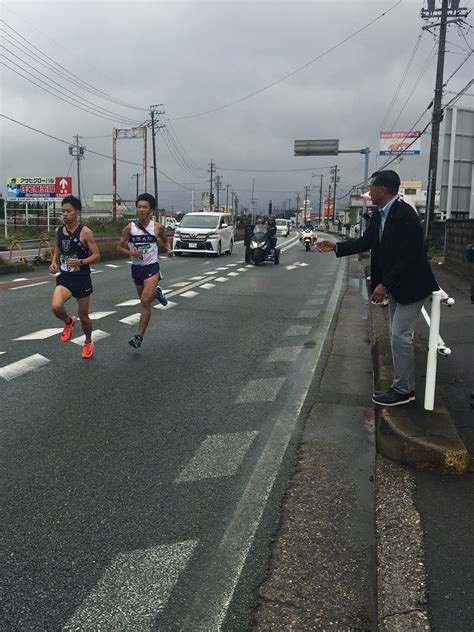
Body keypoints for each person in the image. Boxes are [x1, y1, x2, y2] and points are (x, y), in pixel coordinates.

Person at [317, 170, 439, 406]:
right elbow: (366, 242)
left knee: (400, 335)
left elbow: (409, 257)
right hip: (397, 285)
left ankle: (404, 390)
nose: (369, 192)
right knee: (397, 335)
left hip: (412, 285)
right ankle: (402, 385)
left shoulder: (405, 214)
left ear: (382, 189)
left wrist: (384, 285)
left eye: (371, 188)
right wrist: (335, 246)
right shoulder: (378, 215)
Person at [117, 193, 173, 349]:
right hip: (136, 269)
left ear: (151, 210)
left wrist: (168, 249)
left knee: (145, 301)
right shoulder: (130, 228)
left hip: (152, 267)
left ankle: (139, 337)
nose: (141, 210)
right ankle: (157, 293)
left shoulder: (157, 227)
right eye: (139, 207)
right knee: (145, 298)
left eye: (145, 207)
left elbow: (165, 239)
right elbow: (118, 247)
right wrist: (132, 253)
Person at [49, 195, 100, 359]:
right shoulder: (59, 231)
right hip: (65, 277)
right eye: (62, 211)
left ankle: (87, 341)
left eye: (68, 211)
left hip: (82, 278)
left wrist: (81, 262)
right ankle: (69, 321)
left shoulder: (86, 232)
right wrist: (54, 261)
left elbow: (97, 255)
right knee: (56, 307)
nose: (64, 214)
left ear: (77, 212)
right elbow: (58, 246)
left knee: (84, 316)